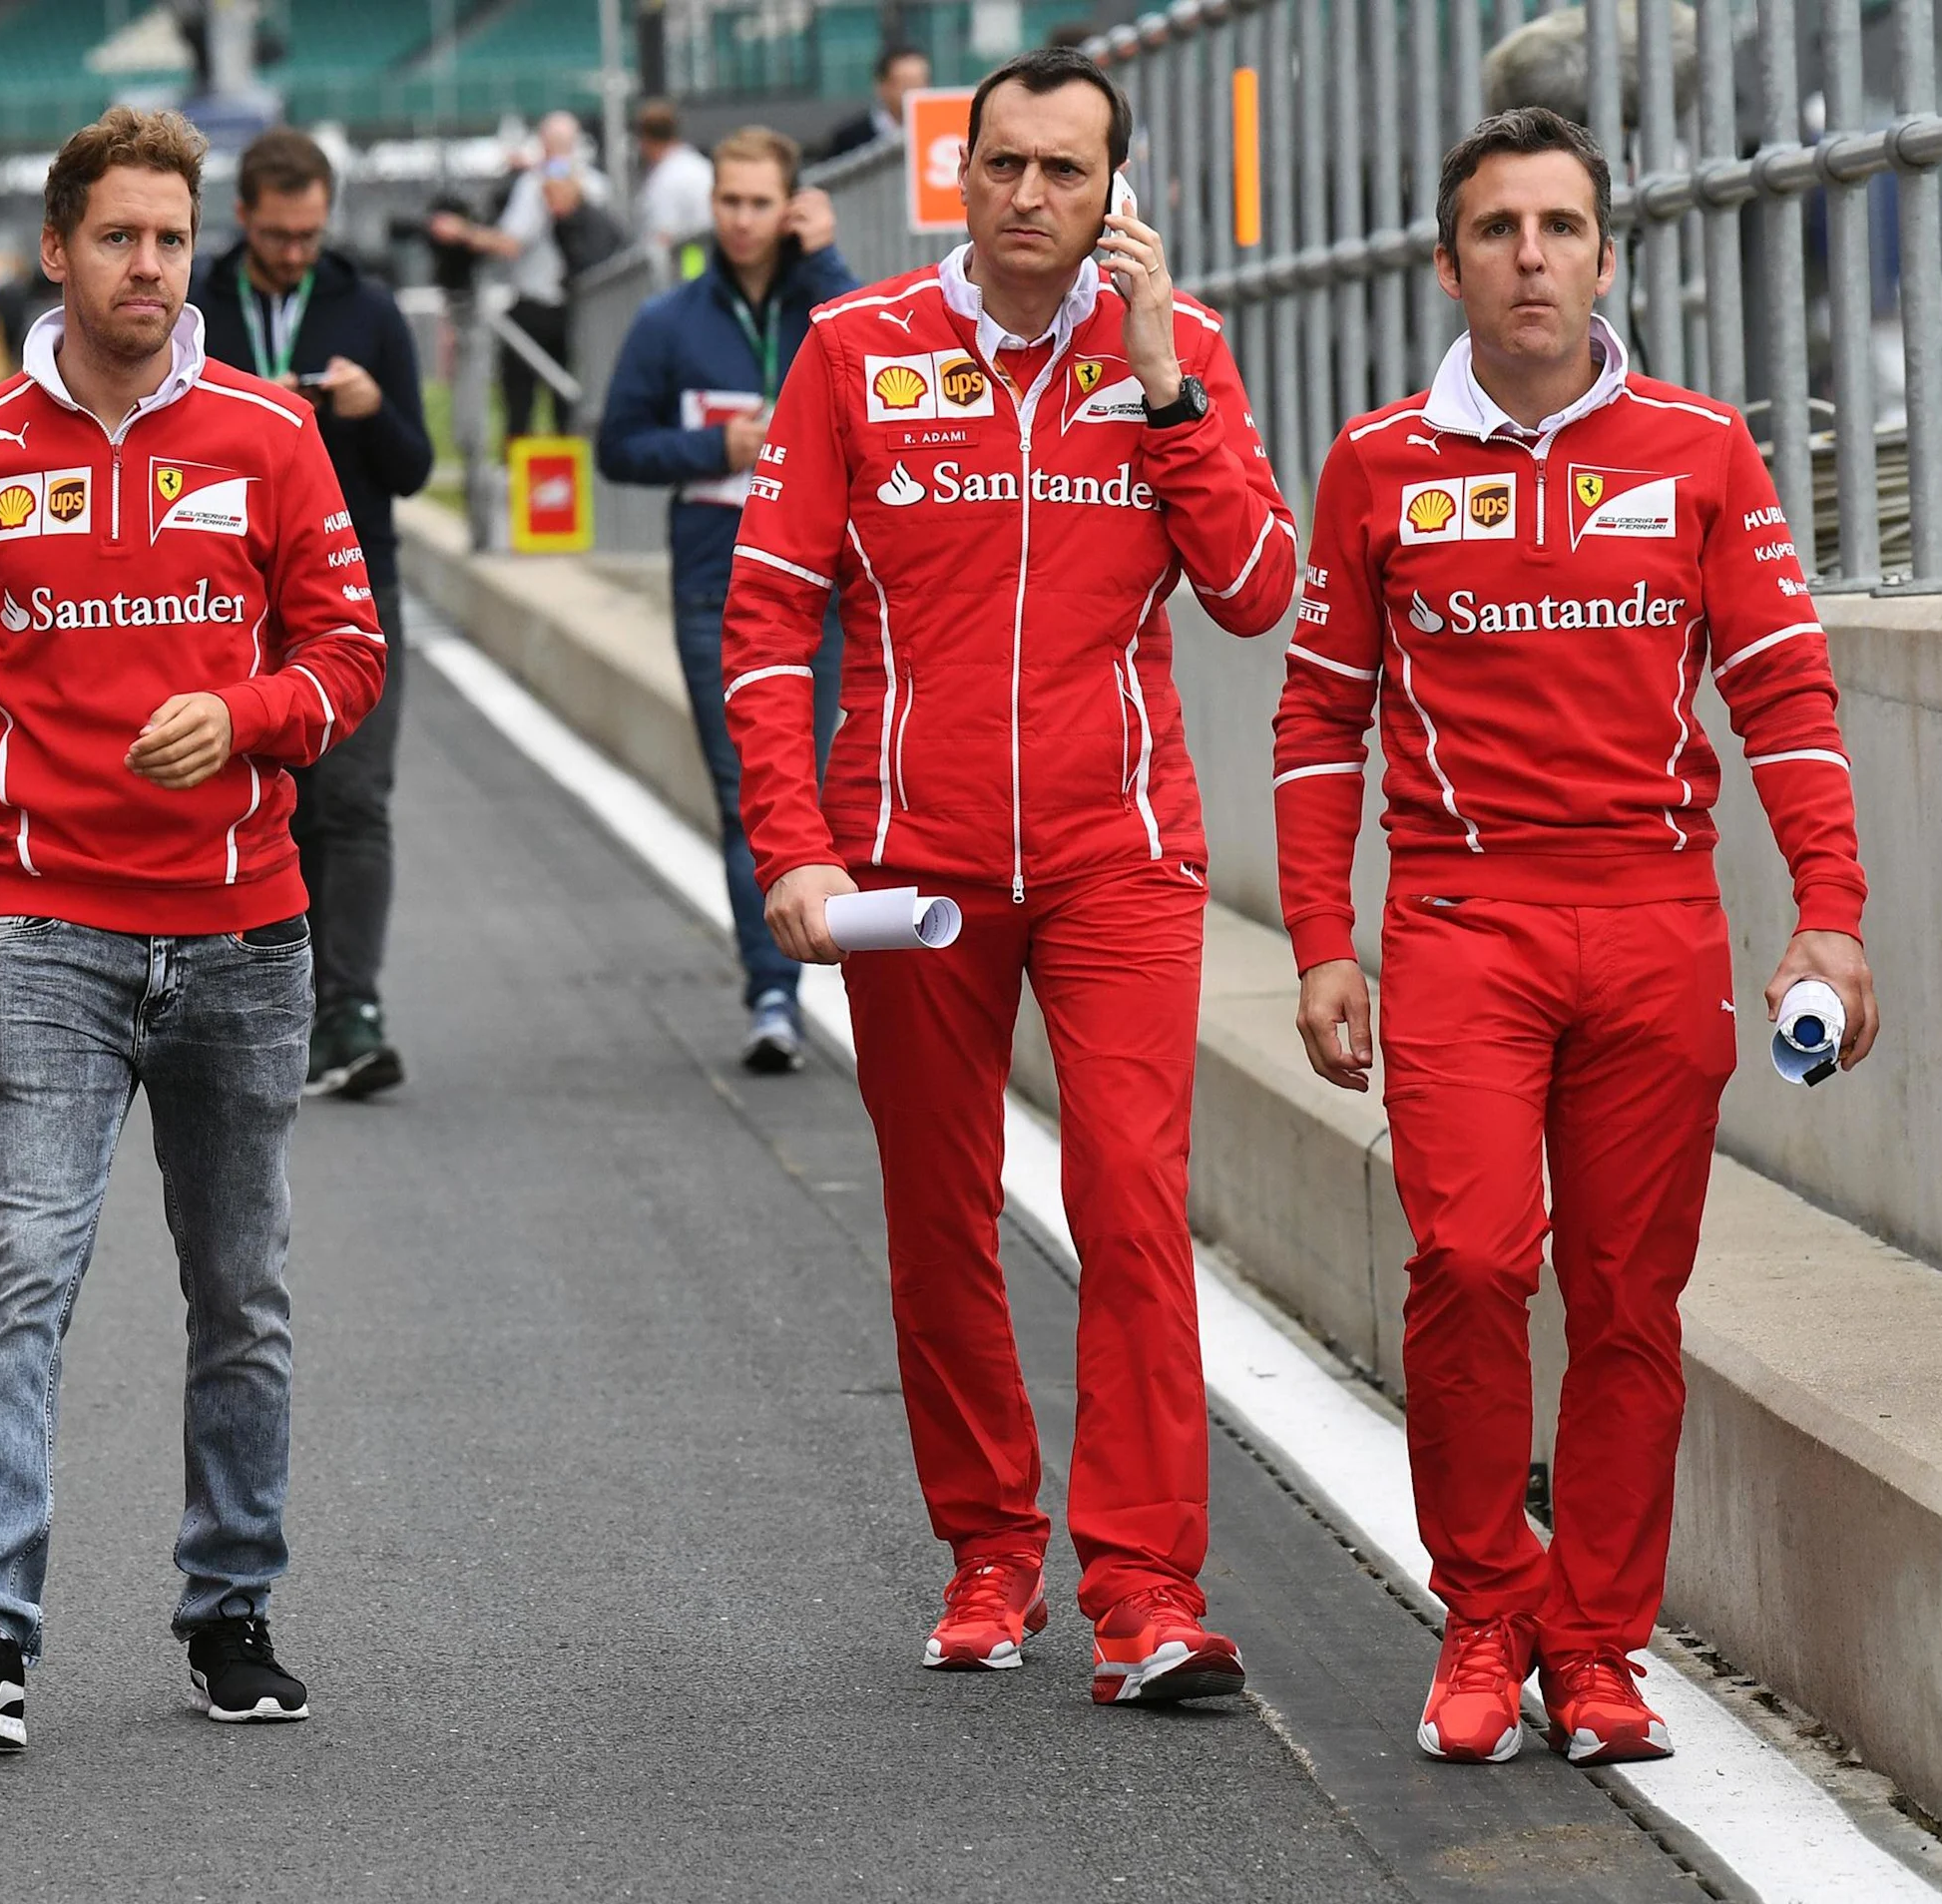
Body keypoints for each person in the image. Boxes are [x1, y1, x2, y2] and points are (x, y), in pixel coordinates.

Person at [1277, 108, 1875, 1768]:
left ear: (1604, 257)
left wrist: (1827, 914)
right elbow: (1319, 719)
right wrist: (1322, 935)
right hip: (1462, 924)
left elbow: (1783, 695)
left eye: (1556, 226)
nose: (1528, 254)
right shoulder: (1375, 458)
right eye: (1495, 228)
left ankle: (1597, 1646)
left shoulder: (1699, 449)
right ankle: (1483, 1611)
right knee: (1468, 1260)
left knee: (1625, 1296)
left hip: (1653, 928)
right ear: (1448, 260)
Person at [723, 48, 1298, 1703]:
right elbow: (766, 618)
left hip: (1121, 856)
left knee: (1130, 1201)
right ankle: (988, 1540)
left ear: (1112, 195)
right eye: (1003, 167)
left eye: (1064, 171)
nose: (1029, 196)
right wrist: (794, 841)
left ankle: (1143, 1587)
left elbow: (1256, 590)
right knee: (937, 1208)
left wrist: (1165, 389)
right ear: (954, 178)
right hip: (912, 861)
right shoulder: (854, 352)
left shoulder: (1177, 356)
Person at [0, 106, 385, 1753]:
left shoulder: (270, 432)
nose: (147, 265)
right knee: (24, 1265)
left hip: (246, 936)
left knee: (242, 1291)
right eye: (118, 237)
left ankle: (229, 1607)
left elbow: (350, 657)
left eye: (170, 238)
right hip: (43, 937)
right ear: (57, 250)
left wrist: (244, 717)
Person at [596, 127, 852, 1072]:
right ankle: (774, 994)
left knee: (834, 792)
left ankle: (853, 969)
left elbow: (877, 370)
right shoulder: (668, 322)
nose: (740, 220)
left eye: (758, 202)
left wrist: (823, 257)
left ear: (788, 205)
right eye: (727, 201)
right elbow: (617, 446)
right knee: (752, 793)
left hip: (830, 584)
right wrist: (717, 449)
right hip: (717, 582)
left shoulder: (824, 302)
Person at [190, 127, 435, 1098]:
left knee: (355, 799)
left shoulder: (368, 310)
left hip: (354, 580)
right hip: (227, 590)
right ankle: (266, 999)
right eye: (278, 233)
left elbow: (414, 469)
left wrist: (370, 411)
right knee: (264, 801)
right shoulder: (198, 307)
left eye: (309, 233)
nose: (294, 250)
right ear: (243, 216)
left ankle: (352, 1007)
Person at [427, 113, 612, 439]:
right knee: (565, 406)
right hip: (584, 309)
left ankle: (546, 478)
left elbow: (509, 243)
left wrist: (462, 232)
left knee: (528, 404)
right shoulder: (596, 184)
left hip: (546, 307)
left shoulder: (539, 185)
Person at [632, 99, 717, 269]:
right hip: (709, 263)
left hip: (688, 270)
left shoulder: (665, 180)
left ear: (645, 139)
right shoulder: (700, 166)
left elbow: (662, 237)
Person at [823, 46, 931, 162]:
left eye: (921, 84)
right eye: (906, 84)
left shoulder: (938, 134)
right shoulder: (850, 139)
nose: (915, 92)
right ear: (881, 86)